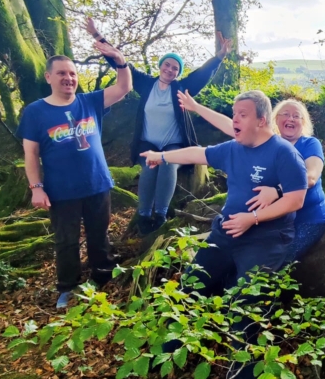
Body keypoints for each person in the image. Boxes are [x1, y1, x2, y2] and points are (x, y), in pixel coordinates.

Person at [140, 90, 307, 379]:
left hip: (267, 238)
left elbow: (295, 199)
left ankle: (242, 375)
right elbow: (198, 153)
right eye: (234, 113)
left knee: (246, 300)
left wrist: (252, 219)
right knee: (192, 284)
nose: (235, 119)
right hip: (226, 230)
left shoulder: (284, 152)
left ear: (261, 120)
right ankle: (167, 352)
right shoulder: (233, 148)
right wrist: (161, 156)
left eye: (242, 114)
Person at [84, 17, 231, 235]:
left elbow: (202, 74)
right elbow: (120, 61)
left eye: (175, 68)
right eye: (167, 65)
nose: (170, 70)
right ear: (161, 66)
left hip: (174, 144)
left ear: (178, 73)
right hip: (148, 142)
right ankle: (144, 215)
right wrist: (97, 36)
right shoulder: (145, 84)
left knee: (168, 164)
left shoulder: (182, 88)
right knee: (150, 168)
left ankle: (160, 214)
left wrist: (219, 56)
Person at [18, 42, 133, 309]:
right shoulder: (35, 112)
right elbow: (31, 154)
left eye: (72, 74)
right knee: (66, 240)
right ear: (48, 77)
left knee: (99, 233)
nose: (68, 78)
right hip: (61, 190)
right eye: (61, 73)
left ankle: (102, 276)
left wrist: (120, 61)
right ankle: (67, 287)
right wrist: (36, 187)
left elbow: (124, 88)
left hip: (97, 183)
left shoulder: (89, 101)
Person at [180, 93, 325, 263]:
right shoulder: (266, 141)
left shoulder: (310, 144)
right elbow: (230, 125)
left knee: (280, 262)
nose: (291, 118)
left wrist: (277, 191)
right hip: (274, 221)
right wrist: (196, 107)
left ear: (303, 123)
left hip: (308, 219)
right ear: (274, 119)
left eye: (297, 116)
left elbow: (311, 177)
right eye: (286, 114)